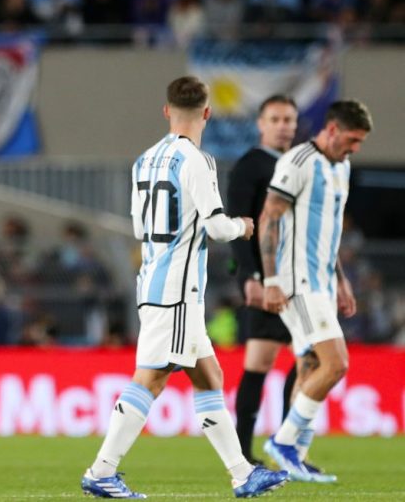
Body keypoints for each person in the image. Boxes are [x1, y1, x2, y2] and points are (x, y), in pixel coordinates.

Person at [80, 76, 288, 499]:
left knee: (209, 376)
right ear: (207, 113)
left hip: (156, 281)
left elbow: (139, 228)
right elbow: (217, 226)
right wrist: (242, 226)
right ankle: (101, 470)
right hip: (176, 289)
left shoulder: (144, 161)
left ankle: (242, 473)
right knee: (151, 379)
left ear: (166, 111)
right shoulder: (196, 160)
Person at [260, 100, 373, 482]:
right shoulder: (298, 161)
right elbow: (269, 218)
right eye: (352, 139)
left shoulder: (342, 166)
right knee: (336, 363)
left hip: (322, 283)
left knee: (310, 365)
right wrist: (271, 281)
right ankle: (284, 442)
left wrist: (340, 279)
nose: (355, 148)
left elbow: (327, 231)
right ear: (332, 129)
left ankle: (295, 458)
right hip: (298, 283)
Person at [226, 95, 302, 465]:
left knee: (311, 360)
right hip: (266, 278)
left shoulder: (298, 163)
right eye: (276, 119)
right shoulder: (251, 166)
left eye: (289, 119)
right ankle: (243, 451)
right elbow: (239, 223)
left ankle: (288, 446)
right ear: (261, 124)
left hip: (299, 279)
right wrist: (250, 276)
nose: (283, 126)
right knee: (258, 363)